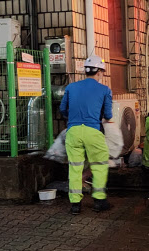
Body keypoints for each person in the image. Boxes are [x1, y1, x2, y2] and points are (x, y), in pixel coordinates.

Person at [60, 55, 113, 215]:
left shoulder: (71, 87)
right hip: (93, 131)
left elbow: (63, 109)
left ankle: (75, 205)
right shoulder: (105, 90)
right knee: (99, 165)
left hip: (73, 132)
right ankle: (99, 201)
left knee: (75, 168)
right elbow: (108, 115)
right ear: (99, 72)